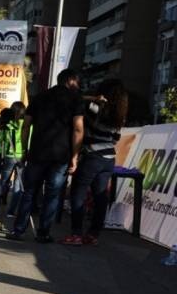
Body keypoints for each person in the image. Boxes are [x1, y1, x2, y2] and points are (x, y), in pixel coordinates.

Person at [7, 69, 84, 243]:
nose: (78, 84)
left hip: (37, 153)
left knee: (29, 192)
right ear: (70, 80)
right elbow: (78, 129)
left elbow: (26, 126)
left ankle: (18, 231)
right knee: (52, 194)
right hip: (61, 155)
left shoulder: (40, 97)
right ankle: (43, 233)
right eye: (77, 81)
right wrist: (74, 156)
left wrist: (24, 150)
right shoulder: (75, 99)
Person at [61, 79, 127, 246]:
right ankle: (93, 234)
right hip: (109, 158)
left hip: (92, 156)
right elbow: (116, 138)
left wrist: (93, 99)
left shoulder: (95, 108)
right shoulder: (120, 115)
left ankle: (76, 234)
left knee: (78, 193)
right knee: (100, 197)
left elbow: (77, 100)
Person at [0, 104, 25, 216]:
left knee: (3, 182)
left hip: (9, 155)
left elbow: (1, 141)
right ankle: (11, 211)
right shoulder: (27, 124)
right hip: (22, 156)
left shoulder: (7, 125)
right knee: (18, 184)